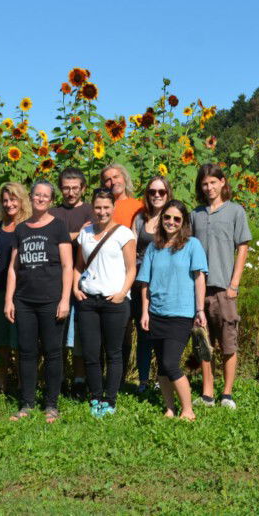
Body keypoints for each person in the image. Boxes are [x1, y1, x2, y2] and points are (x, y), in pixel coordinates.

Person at [5, 181, 73, 423]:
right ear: (30, 197)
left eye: (46, 196)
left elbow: (67, 265)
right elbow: (14, 268)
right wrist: (9, 300)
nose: (41, 199)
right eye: (37, 195)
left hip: (51, 300)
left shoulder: (58, 227)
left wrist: (65, 299)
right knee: (26, 352)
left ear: (51, 201)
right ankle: (26, 403)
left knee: (53, 353)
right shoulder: (21, 229)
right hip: (24, 300)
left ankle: (51, 404)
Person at [137, 200, 208, 420]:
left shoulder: (192, 245)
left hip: (181, 314)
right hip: (157, 313)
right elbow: (145, 283)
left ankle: (188, 410)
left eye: (177, 219)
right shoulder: (153, 247)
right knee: (161, 366)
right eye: (167, 217)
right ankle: (170, 408)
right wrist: (145, 312)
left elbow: (199, 279)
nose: (171, 222)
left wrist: (200, 309)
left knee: (170, 362)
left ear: (183, 222)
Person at [191, 164, 251, 410]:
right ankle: (207, 393)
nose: (209, 188)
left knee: (228, 342)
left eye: (213, 182)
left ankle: (227, 393)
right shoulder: (196, 214)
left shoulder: (235, 212)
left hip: (224, 288)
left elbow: (243, 248)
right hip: (200, 289)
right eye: (205, 184)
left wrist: (234, 284)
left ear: (223, 183)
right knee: (204, 342)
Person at [72, 189, 136, 416]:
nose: (102, 212)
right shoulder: (86, 233)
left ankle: (110, 399)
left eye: (106, 207)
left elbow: (131, 269)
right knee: (90, 352)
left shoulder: (124, 234)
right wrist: (75, 287)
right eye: (98, 207)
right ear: (92, 208)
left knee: (113, 352)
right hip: (88, 300)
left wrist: (122, 293)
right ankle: (95, 397)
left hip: (114, 301)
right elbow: (78, 265)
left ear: (113, 208)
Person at [49, 167, 93, 400]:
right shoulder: (53, 212)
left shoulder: (90, 210)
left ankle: (78, 381)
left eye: (75, 188)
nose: (70, 192)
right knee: (56, 334)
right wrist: (76, 235)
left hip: (84, 282)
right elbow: (52, 241)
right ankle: (59, 379)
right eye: (66, 187)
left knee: (78, 337)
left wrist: (65, 236)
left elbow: (94, 236)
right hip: (55, 281)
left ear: (83, 189)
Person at [100, 163, 144, 383]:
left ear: (124, 178)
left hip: (133, 275)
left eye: (116, 177)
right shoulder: (102, 207)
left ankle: (126, 378)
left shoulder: (138, 206)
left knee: (131, 328)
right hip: (108, 276)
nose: (112, 182)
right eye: (107, 179)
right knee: (112, 330)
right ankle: (106, 377)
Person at [131, 176, 172, 393]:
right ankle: (144, 380)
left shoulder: (173, 218)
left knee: (163, 331)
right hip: (141, 283)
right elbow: (131, 247)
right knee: (144, 330)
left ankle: (162, 376)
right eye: (152, 192)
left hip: (165, 283)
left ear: (168, 194)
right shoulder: (140, 218)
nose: (157, 195)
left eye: (161, 192)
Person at [0, 182, 31, 394]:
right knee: (0, 342)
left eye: (13, 199)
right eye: (5, 200)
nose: (9, 204)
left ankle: (24, 385)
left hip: (21, 292)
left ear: (22, 200)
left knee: (20, 342)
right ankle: (1, 385)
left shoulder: (28, 225)